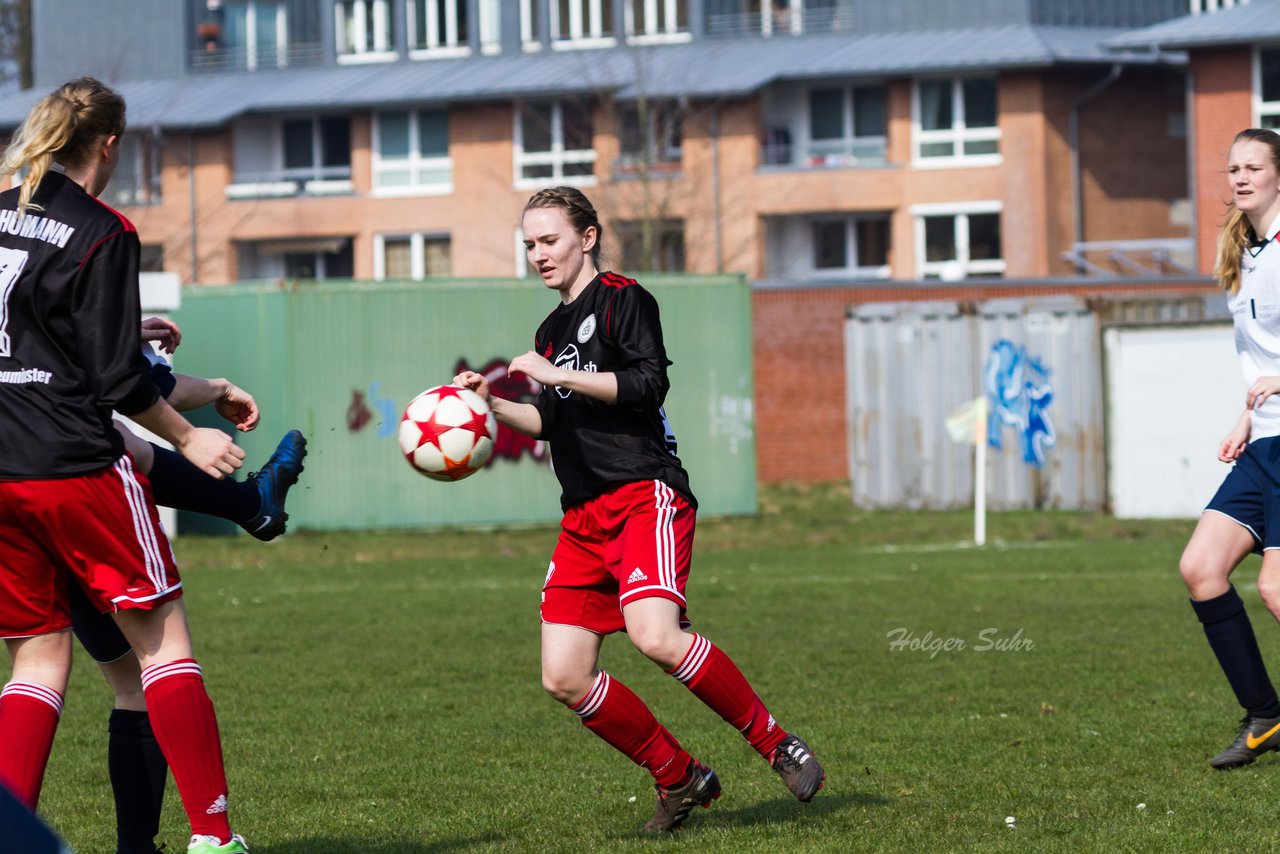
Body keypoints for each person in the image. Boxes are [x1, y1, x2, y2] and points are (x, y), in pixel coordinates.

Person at [454, 186, 825, 833]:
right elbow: (548, 421)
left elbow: (646, 384)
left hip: (643, 493)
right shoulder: (552, 330)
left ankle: (777, 744)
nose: (538, 254)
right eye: (530, 244)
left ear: (587, 237)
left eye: (549, 240)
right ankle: (679, 776)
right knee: (563, 675)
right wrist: (488, 405)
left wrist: (558, 374)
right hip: (583, 518)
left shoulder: (624, 299)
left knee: (656, 636)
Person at [0, 77, 249, 854]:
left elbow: (24, 323)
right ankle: (214, 840)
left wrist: (111, 320)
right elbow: (116, 383)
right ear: (110, 145)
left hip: (1, 471)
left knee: (36, 661)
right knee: (163, 646)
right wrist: (190, 434)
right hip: (75, 465)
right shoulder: (101, 230)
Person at [79, 317, 307, 854]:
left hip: (14, 502)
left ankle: (135, 848)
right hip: (80, 493)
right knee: (161, 660)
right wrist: (211, 400)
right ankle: (216, 839)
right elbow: (137, 383)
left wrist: (126, 328)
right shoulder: (85, 237)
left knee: (99, 679)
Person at [1181, 127, 1280, 770]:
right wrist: (1245, 416)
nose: (1240, 178)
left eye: (1253, 167)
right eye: (1232, 169)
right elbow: (1257, 359)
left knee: (1277, 589)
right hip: (1265, 440)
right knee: (1201, 569)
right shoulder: (1244, 253)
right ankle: (1266, 715)